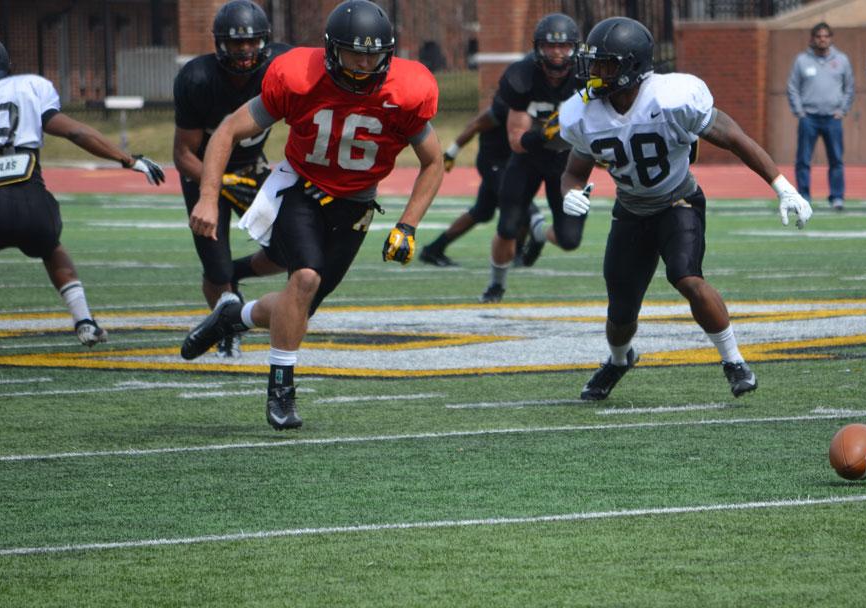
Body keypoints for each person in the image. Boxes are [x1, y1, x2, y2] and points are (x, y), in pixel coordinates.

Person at [180, 0, 443, 431]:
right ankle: (281, 391)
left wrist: (407, 224)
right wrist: (209, 196)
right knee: (304, 278)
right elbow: (228, 129)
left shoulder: (407, 91)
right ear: (330, 51)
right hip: (300, 188)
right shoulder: (298, 76)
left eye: (372, 54)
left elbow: (433, 162)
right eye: (353, 53)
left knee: (299, 307)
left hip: (357, 204)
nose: (362, 64)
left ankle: (233, 317)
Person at [557, 17, 812, 401]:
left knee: (686, 276)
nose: (594, 73)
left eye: (605, 65)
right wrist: (569, 193)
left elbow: (733, 137)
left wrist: (782, 185)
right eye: (593, 64)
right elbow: (574, 170)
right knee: (621, 309)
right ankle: (619, 359)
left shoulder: (672, 97)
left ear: (632, 68)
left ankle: (734, 361)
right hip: (631, 210)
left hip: (678, 199)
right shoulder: (582, 114)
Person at [0, 40, 165, 347]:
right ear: (9, 68)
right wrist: (129, 159)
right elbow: (77, 132)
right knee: (52, 248)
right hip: (31, 202)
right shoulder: (30, 86)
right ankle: (84, 321)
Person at [173, 0, 291, 358]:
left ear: (265, 41)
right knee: (215, 267)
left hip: (251, 168)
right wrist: (216, 186)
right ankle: (225, 324)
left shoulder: (279, 67)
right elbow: (183, 154)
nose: (244, 50)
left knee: (289, 250)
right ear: (219, 43)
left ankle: (235, 274)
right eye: (236, 43)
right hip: (203, 176)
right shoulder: (198, 78)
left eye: (252, 42)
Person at [480, 13, 584, 303]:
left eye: (563, 46)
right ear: (539, 48)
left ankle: (539, 232)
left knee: (569, 240)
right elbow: (516, 141)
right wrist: (545, 133)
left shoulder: (587, 76)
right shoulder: (522, 76)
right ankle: (496, 285)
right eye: (550, 46)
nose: (557, 53)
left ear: (574, 48)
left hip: (569, 164)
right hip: (529, 160)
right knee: (507, 226)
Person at [418, 94, 539, 267]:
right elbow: (475, 125)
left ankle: (434, 249)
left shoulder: (534, 104)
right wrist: (451, 153)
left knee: (482, 211)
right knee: (520, 206)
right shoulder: (503, 108)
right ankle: (517, 255)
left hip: (506, 164)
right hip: (493, 164)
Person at [786, 22, 854, 211]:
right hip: (809, 118)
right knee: (803, 160)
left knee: (836, 160)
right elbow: (792, 87)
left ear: (830, 38)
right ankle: (804, 195)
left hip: (833, 118)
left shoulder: (842, 60)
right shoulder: (801, 60)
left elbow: (849, 88)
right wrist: (800, 112)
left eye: (825, 36)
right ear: (812, 39)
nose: (822, 39)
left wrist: (843, 110)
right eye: (818, 36)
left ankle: (837, 197)